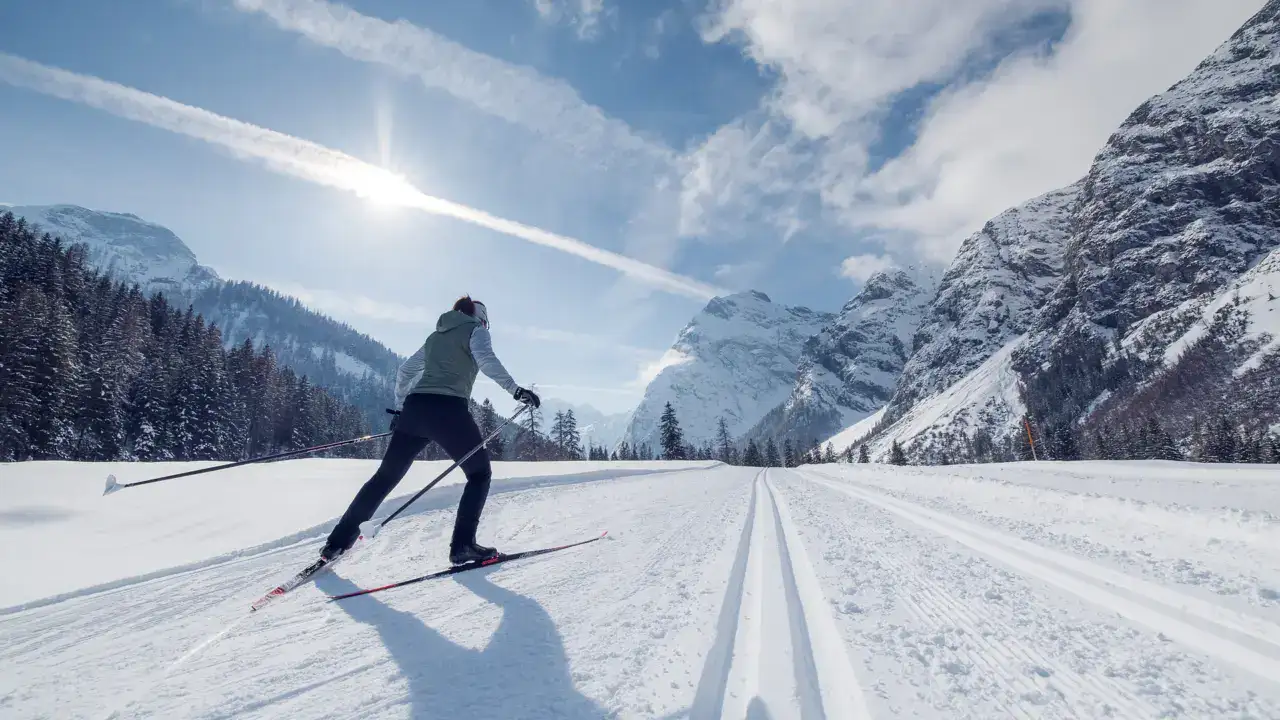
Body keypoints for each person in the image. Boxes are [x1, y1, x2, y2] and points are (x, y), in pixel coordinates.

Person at [321, 295, 541, 565]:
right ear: (481, 318)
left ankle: (336, 543)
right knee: (479, 474)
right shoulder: (476, 331)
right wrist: (515, 390)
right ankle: (463, 546)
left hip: (414, 409)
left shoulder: (435, 336)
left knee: (384, 478)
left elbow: (405, 372)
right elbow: (486, 360)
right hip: (448, 410)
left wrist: (400, 409)